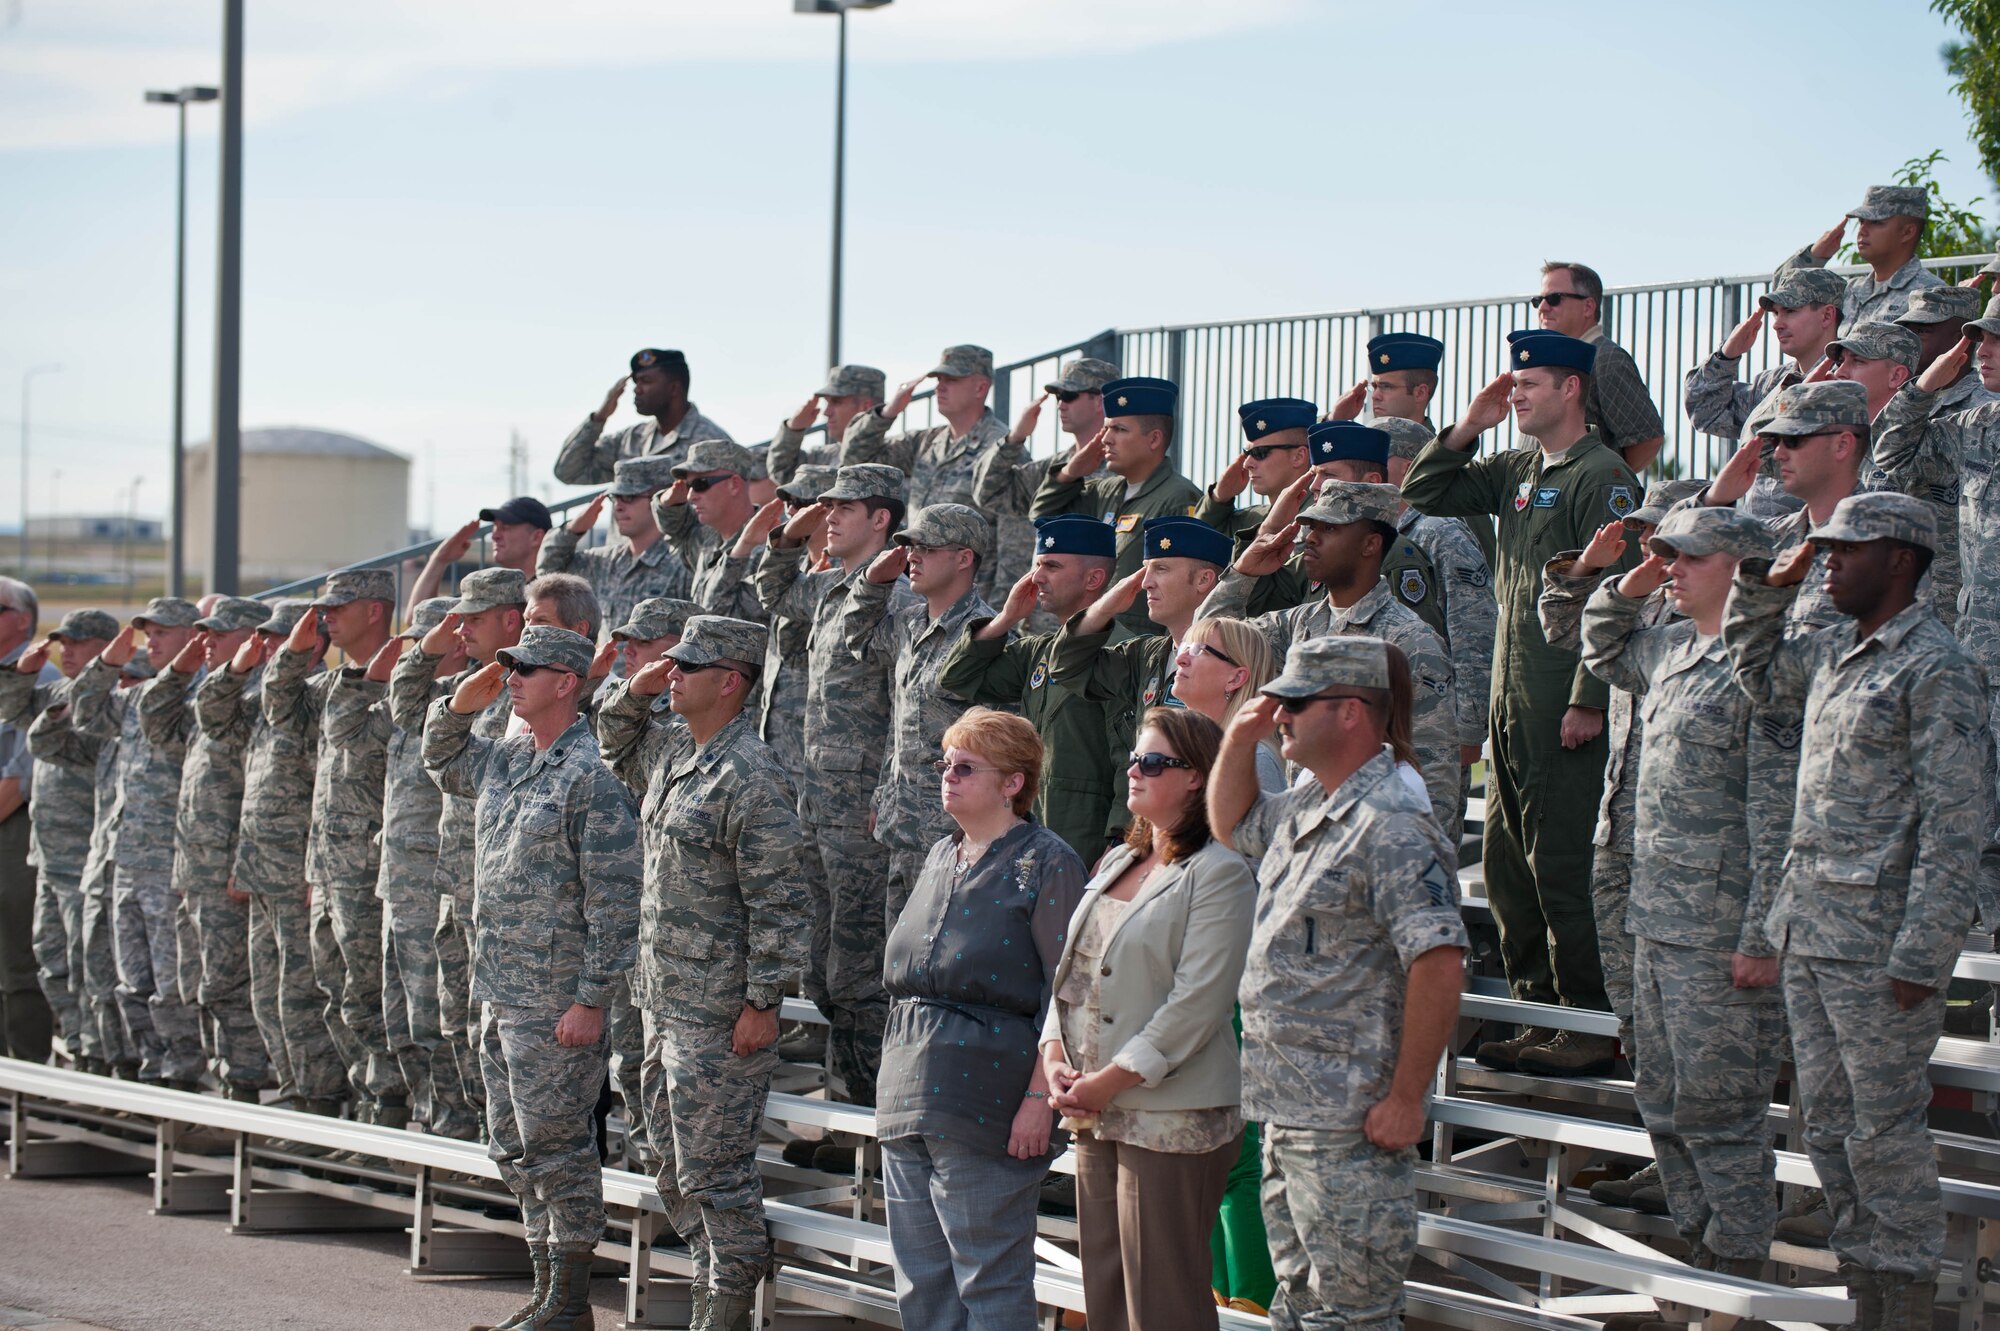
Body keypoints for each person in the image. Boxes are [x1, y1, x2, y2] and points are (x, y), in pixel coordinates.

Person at [1724, 491, 1992, 1331]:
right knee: (1833, 1132)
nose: (1830, 560)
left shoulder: (1934, 666)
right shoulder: (1836, 647)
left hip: (1881, 952)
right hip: (1813, 932)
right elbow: (1756, 672)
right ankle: (1865, 1284)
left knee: (1883, 1133)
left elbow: (1958, 825)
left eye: (1848, 549)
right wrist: (1771, 580)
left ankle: (1904, 1298)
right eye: (1827, 548)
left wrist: (1921, 954)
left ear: (1902, 561)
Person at [1208, 636, 1467, 1331]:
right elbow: (1231, 824)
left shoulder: (1392, 822)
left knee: (1352, 1315)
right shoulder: (1304, 808)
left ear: (1351, 711)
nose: (1280, 715)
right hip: (1288, 1110)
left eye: (1295, 702)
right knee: (1299, 1309)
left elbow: (1439, 962)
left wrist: (1409, 1096)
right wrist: (1239, 736)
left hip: (1351, 1121)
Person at [1402, 330, 1640, 1076]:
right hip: (1511, 693)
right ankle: (1537, 1009)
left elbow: (1617, 590)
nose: (1517, 394)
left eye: (1530, 382)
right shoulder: (1514, 467)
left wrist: (1588, 696)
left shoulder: (1600, 474)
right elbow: (1423, 492)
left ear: (1572, 389)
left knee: (1561, 857)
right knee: (1507, 863)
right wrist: (1467, 426)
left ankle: (1586, 1018)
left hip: (1561, 694)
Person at [1579, 507, 1787, 1295]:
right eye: (1669, 557)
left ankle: (1736, 1279)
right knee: (1662, 1105)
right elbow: (1600, 641)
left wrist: (1761, 934)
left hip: (1718, 929)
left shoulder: (1762, 663)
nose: (1673, 570)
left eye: (1690, 557)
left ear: (1743, 566)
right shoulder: (1668, 648)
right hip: (1655, 920)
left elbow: (1776, 810)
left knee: (1721, 1116)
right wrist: (1633, 573)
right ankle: (1705, 1265)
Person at [424, 625, 642, 1331]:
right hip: (499, 987)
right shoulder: (510, 755)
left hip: (554, 997)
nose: (510, 676)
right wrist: (461, 703)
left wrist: (591, 998)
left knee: (557, 1143)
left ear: (567, 682)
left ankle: (570, 1301)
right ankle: (547, 1289)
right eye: (508, 665)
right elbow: (441, 758)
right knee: (510, 1143)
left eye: (526, 667)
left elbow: (615, 897)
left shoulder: (593, 770)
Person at [595, 616, 809, 1331]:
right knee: (671, 1165)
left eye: (691, 664)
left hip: (718, 1012)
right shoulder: (676, 755)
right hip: (662, 999)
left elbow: (781, 896)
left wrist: (763, 1000)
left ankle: (723, 1306)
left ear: (732, 681)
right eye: (673, 661)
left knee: (716, 1172)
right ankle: (712, 1291)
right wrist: (638, 686)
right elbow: (612, 739)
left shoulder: (751, 772)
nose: (674, 672)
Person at [1041, 706, 1255, 1331]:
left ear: (1197, 777)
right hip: (1095, 1107)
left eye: (1153, 762)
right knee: (1105, 1297)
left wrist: (1108, 1080)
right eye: (1134, 758)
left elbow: (1198, 1003)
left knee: (1161, 1304)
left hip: (1171, 1114)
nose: (1134, 771)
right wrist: (1054, 1056)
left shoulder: (1221, 870)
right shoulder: (1116, 861)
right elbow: (1070, 977)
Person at [877, 707, 1086, 1331]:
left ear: (1013, 782)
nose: (948, 776)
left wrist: (1038, 1098)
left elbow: (1068, 991)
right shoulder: (941, 852)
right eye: (944, 764)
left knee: (987, 1280)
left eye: (965, 767)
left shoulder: (1047, 861)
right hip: (907, 1091)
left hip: (989, 1099)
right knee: (922, 1284)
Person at [1536, 481, 1705, 1131]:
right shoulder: (1640, 608)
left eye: (1663, 538)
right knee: (1636, 1017)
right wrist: (1588, 570)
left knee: (1688, 1021)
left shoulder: (1716, 620)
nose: (1647, 547)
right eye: (1644, 535)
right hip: (1619, 833)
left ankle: (1691, 1161)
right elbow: (1560, 629)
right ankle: (1660, 1150)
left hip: (1679, 851)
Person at [753, 464, 914, 1114]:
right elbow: (772, 585)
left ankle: (882, 1121)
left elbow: (909, 706)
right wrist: (794, 525)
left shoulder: (898, 596)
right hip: (817, 805)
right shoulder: (829, 591)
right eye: (828, 506)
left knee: (858, 977)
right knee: (822, 974)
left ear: (882, 518)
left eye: (845, 506)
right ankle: (854, 1114)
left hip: (862, 812)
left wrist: (888, 788)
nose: (830, 516)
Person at [1198, 479, 1461, 840]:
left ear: (1371, 544)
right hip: (1306, 830)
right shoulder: (1298, 624)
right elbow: (1207, 642)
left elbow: (1434, 771)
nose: (1311, 539)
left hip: (1372, 847)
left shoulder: (1409, 641)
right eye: (1312, 527)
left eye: (1330, 529)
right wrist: (1243, 573)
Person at [265, 570, 405, 1125]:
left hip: (369, 871)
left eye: (337, 608)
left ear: (375, 610)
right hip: (326, 868)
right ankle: (364, 1111)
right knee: (337, 994)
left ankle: (388, 1115)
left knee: (370, 997)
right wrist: (293, 655)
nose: (326, 617)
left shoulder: (403, 686)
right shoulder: (327, 688)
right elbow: (278, 709)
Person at [395, 567, 529, 1132]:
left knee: (495, 1033)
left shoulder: (530, 687)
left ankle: (505, 1152)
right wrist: (427, 650)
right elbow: (406, 712)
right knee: (454, 1023)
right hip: (457, 881)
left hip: (503, 892)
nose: (461, 629)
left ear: (511, 620)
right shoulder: (470, 686)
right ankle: (473, 1140)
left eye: (473, 619)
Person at [135, 596, 271, 1098]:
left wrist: (245, 861)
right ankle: (224, 1088)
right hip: (194, 866)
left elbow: (269, 793)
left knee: (228, 985)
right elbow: (155, 722)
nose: (206, 642)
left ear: (251, 639)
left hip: (228, 869)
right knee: (201, 984)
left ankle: (246, 1089)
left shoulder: (258, 698)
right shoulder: (212, 694)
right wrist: (178, 670)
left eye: (218, 634)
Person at [66, 598, 203, 1086]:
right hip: (126, 858)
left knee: (172, 983)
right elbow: (83, 711)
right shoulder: (132, 698)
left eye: (162, 632)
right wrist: (106, 663)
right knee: (132, 983)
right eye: (149, 633)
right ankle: (151, 1074)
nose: (151, 642)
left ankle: (184, 1075)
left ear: (193, 635)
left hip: (171, 861)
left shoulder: (202, 697)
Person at [841, 503, 995, 927]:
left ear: (963, 558)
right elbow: (857, 639)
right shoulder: (909, 624)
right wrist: (876, 578)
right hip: (902, 823)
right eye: (910, 547)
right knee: (899, 958)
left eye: (925, 547)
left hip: (951, 828)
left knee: (940, 956)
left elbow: (999, 743)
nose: (913, 556)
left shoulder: (987, 635)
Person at [938, 514, 1123, 864]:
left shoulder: (1124, 652)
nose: (1037, 578)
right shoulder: (1038, 650)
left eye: (1051, 566)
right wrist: (1006, 618)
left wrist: (1119, 841)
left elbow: (1129, 755)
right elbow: (958, 678)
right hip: (1032, 827)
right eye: (1037, 565)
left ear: (1094, 578)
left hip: (1086, 835)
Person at [1050, 515, 1234, 848]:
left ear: (1204, 579)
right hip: (1140, 832)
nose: (1146, 583)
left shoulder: (1237, 653)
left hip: (1204, 832)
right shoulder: (1146, 655)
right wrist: (1104, 608)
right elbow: (1066, 667)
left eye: (1161, 569)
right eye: (1146, 570)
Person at [28, 642, 156, 1078]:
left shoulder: (158, 737)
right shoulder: (105, 741)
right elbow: (45, 744)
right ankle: (93, 1059)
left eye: (133, 681)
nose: (123, 691)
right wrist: (65, 707)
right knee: (83, 974)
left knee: (135, 984)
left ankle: (135, 1073)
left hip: (138, 874)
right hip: (98, 872)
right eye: (118, 683)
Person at [0, 607, 115, 1064]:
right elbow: (16, 712)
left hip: (84, 852)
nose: (66, 651)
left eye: (78, 642)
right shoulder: (57, 691)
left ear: (106, 648)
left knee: (90, 970)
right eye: (63, 642)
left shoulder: (107, 699)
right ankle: (77, 1061)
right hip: (48, 853)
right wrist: (20, 676)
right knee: (53, 964)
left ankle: (98, 1064)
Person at [839, 344, 1020, 599]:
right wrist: (888, 412)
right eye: (938, 379)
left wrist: (997, 620)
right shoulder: (928, 442)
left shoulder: (1002, 450)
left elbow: (1015, 547)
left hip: (969, 606)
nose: (940, 387)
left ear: (980, 387)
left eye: (952, 380)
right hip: (918, 599)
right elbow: (856, 460)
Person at [1031, 376, 1205, 631]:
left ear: (1154, 439)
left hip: (1141, 645)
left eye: (1119, 430)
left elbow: (1188, 588)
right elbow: (1044, 520)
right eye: (1107, 429)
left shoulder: (1179, 498)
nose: (1106, 439)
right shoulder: (1104, 492)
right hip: (1095, 637)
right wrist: (1069, 473)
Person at [1375, 417, 1496, 779]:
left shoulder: (1439, 531)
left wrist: (1470, 728)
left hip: (1434, 727)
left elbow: (1473, 631)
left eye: (1379, 456)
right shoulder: (1376, 533)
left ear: (1410, 467)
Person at [1684, 266, 1848, 520]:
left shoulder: (1849, 381)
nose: (1777, 324)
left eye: (1790, 311)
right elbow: (1705, 412)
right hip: (1759, 541)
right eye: (1775, 314)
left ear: (1827, 316)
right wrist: (1726, 355)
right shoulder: (1770, 383)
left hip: (1813, 536)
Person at [975, 357, 1122, 574]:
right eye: (1058, 397)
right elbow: (989, 493)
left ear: (1101, 400)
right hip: (1050, 603)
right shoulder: (1053, 467)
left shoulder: (1126, 467)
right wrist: (1015, 438)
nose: (1061, 404)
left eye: (1069, 396)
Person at [1304, 421, 1446, 638]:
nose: (1314, 485)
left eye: (1328, 475)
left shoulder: (1394, 552)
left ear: (1371, 482)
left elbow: (1413, 646)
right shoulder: (1317, 545)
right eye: (1315, 474)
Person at [1533, 261, 1666, 471]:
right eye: (1538, 300)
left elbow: (1648, 438)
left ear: (1588, 306)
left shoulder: (1606, 359)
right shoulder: (1547, 364)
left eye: (1554, 298)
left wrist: (1606, 484)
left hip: (1584, 502)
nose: (1542, 307)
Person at [0, 577, 57, 1060]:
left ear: (23, 619)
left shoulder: (38, 680)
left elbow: (19, 780)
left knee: (18, 967)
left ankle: (24, 1081)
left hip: (15, 834)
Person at [1193, 398, 1318, 616]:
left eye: (1260, 453)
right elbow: (1194, 544)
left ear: (1299, 455)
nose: (1247, 463)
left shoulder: (1318, 520)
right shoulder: (1252, 519)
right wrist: (1219, 498)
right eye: (1246, 453)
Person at [537, 456, 690, 628]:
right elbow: (548, 573)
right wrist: (573, 529)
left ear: (658, 499)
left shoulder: (683, 563)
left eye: (630, 497)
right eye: (615, 497)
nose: (618, 506)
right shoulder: (605, 562)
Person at [553, 347, 736, 485]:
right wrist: (599, 418)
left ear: (674, 388)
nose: (637, 390)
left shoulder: (712, 441)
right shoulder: (630, 439)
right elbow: (567, 472)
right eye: (635, 382)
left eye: (646, 381)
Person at [1778, 186, 1944, 332]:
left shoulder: (1928, 294)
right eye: (1862, 222)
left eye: (1876, 222)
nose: (1862, 231)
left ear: (1907, 232)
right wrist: (1813, 256)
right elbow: (1784, 298)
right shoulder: (1849, 290)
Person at [653, 440, 771, 622]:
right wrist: (669, 503)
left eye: (701, 484)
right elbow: (674, 529)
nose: (691, 495)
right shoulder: (706, 540)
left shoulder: (771, 545)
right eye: (688, 486)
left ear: (734, 484)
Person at [1175, 616, 1284, 793]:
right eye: (1183, 648)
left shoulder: (1253, 761)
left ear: (1236, 678)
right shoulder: (1175, 747)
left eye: (1197, 649)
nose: (1180, 659)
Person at [404, 496, 553, 620]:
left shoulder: (554, 592)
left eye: (506, 527)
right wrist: (438, 560)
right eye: (495, 527)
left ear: (537, 537)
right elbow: (418, 620)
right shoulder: (487, 587)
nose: (495, 535)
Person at [769, 364, 886, 485]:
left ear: (866, 407)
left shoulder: (894, 452)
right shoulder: (822, 456)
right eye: (827, 403)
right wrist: (794, 429)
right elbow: (781, 472)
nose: (826, 412)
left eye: (836, 402)